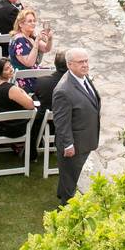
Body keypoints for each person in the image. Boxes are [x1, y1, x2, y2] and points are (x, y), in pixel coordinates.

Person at [52, 48, 100, 204]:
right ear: (69, 64)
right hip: (75, 143)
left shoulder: (82, 77)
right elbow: (61, 122)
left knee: (69, 175)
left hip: (85, 137)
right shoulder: (63, 90)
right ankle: (66, 207)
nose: (85, 65)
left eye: (86, 61)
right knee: (71, 176)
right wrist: (68, 145)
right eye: (81, 62)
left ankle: (63, 194)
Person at [0, 57, 36, 139]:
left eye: (10, 66)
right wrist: (21, 90)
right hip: (11, 128)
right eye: (6, 69)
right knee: (38, 114)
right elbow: (30, 105)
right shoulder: (10, 89)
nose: (11, 69)